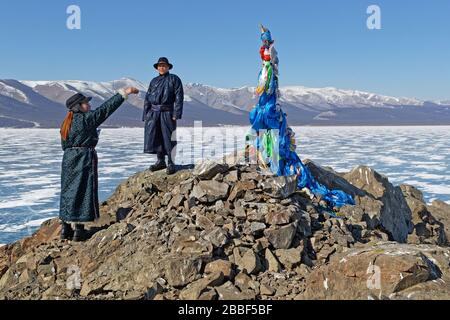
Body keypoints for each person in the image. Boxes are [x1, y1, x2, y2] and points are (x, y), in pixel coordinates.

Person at [59, 87, 139, 241]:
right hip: (83, 158)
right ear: (78, 106)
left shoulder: (66, 123)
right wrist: (124, 93)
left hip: (68, 158)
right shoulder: (86, 118)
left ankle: (65, 228)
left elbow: (66, 143)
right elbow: (106, 109)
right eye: (85, 103)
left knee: (68, 191)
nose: (88, 106)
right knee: (83, 190)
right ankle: (79, 231)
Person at [143, 57, 184, 175]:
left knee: (169, 137)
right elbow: (147, 98)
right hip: (154, 112)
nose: (162, 67)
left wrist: (177, 113)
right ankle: (160, 161)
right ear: (157, 68)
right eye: (160, 66)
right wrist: (146, 113)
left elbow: (179, 97)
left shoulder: (174, 79)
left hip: (167, 112)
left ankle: (171, 162)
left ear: (168, 67)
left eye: (164, 65)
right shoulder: (153, 81)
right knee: (156, 136)